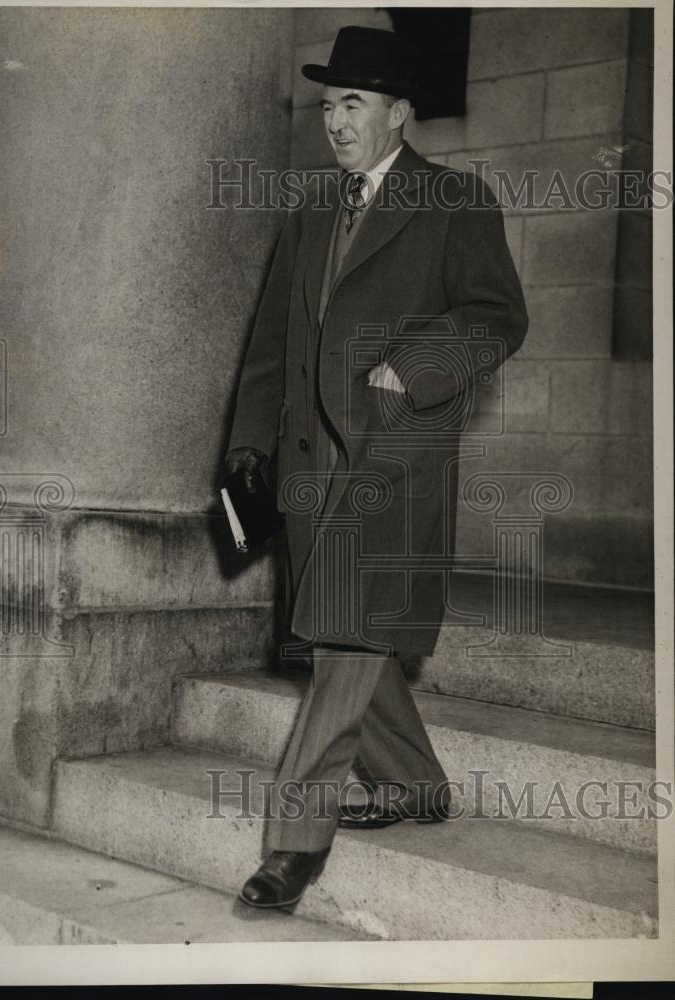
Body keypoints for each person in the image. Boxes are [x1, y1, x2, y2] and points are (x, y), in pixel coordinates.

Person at [223, 26, 528, 909]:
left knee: (347, 645)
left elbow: (497, 318)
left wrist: (417, 365)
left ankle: (292, 849)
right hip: (315, 469)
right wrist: (248, 447)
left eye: (353, 103)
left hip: (394, 464)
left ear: (399, 113)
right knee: (340, 636)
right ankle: (415, 785)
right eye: (328, 104)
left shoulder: (456, 202)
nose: (336, 120)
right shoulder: (311, 210)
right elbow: (271, 349)